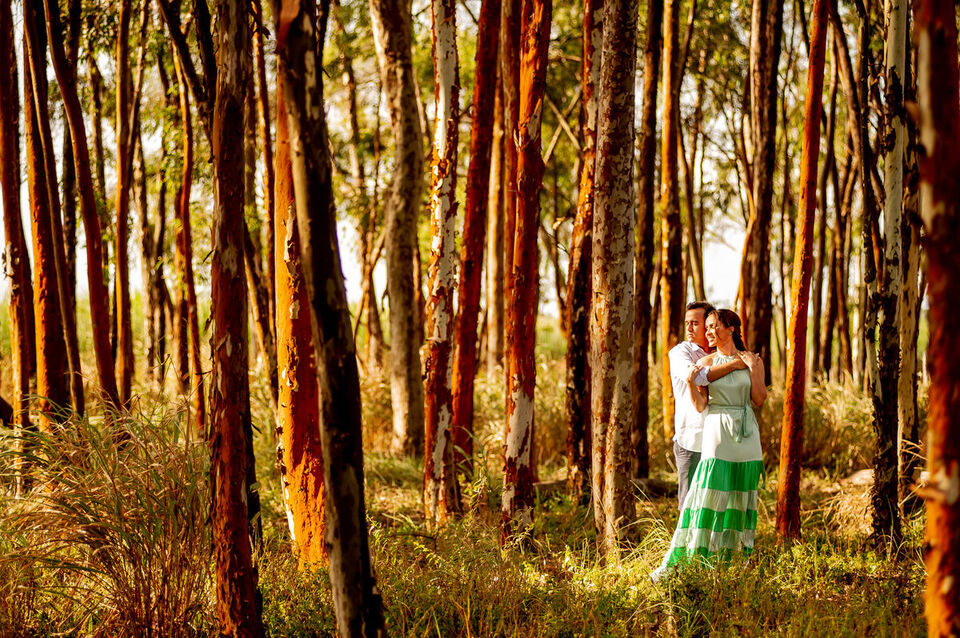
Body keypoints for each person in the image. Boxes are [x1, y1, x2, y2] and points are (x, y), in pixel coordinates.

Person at [653, 309, 767, 579]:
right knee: (709, 495)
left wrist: (752, 368)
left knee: (741, 497)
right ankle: (698, 557)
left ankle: (736, 561)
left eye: (714, 326)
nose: (709, 332)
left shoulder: (752, 360)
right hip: (717, 432)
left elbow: (759, 398)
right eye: (707, 327)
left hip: (747, 433)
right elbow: (701, 405)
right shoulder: (706, 362)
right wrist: (691, 382)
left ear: (731, 329)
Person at [668, 302, 747, 509]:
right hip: (691, 440)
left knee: (716, 504)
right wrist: (735, 364)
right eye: (687, 323)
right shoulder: (680, 352)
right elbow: (698, 377)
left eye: (695, 323)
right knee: (688, 505)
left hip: (721, 440)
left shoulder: (721, 353)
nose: (689, 328)